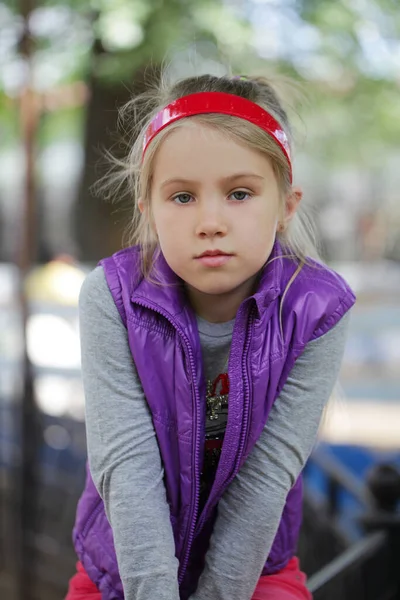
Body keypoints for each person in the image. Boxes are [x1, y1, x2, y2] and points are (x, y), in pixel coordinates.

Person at [66, 74, 355, 600]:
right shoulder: (111, 299)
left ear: (286, 205)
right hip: (123, 566)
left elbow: (267, 477)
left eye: (240, 193)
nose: (211, 221)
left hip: (253, 571)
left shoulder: (317, 311)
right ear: (148, 209)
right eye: (182, 197)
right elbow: (125, 466)